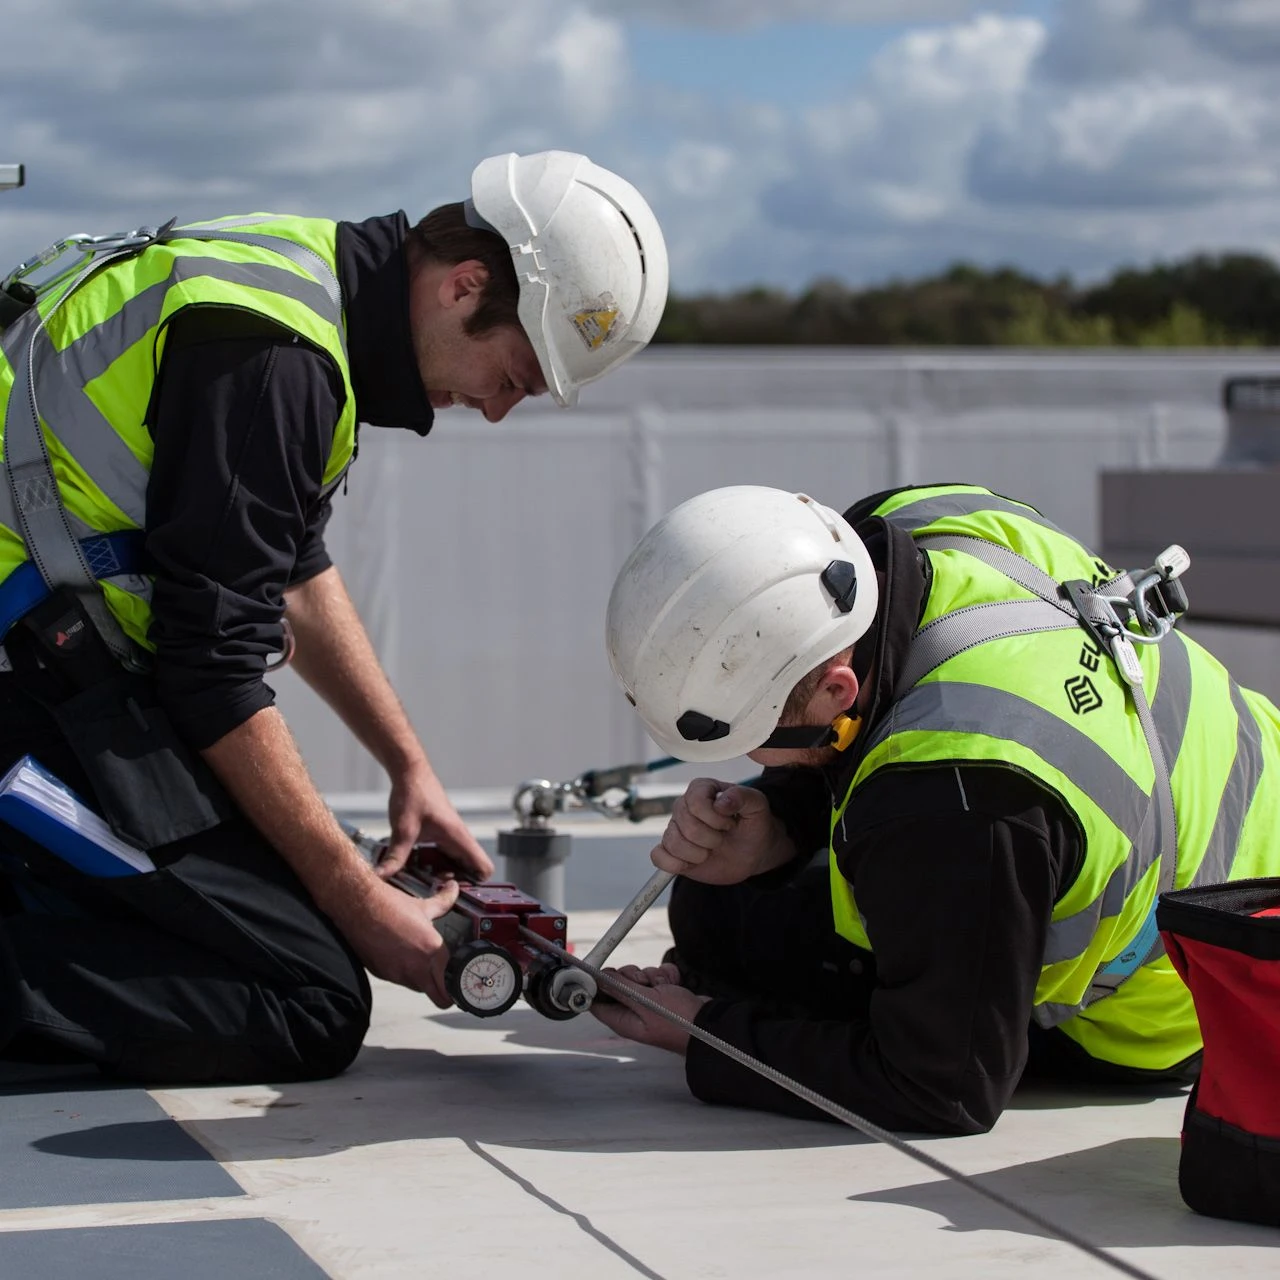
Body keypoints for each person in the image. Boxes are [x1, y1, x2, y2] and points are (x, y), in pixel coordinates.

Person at [0, 150, 668, 1082]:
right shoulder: (274, 360)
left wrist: (409, 768)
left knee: (291, 915)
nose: (497, 410)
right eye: (513, 373)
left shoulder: (293, 284)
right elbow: (212, 674)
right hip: (26, 690)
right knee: (307, 997)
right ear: (465, 285)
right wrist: (356, 901)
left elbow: (290, 570)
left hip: (50, 666)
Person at [595, 482, 1280, 1134]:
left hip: (1202, 993)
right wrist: (781, 824)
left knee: (733, 934)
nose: (752, 765)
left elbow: (943, 1085)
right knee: (721, 897)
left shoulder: (957, 795)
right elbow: (880, 695)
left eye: (760, 740)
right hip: (1245, 810)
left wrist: (706, 1032)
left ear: (837, 690)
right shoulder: (916, 525)